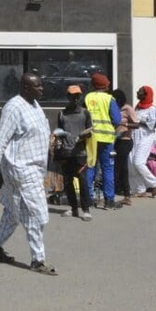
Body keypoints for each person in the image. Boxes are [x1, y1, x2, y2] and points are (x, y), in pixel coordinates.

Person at [0, 72, 56, 276]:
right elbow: (0, 140)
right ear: (26, 88)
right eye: (38, 86)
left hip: (35, 167)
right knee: (36, 214)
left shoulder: (34, 104)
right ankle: (38, 259)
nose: (42, 89)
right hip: (21, 169)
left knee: (13, 210)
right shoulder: (13, 108)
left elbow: (41, 129)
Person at [84, 73, 122, 210]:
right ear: (106, 85)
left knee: (90, 167)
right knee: (108, 169)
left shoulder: (87, 97)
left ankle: (87, 200)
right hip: (106, 139)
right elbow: (117, 120)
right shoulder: (109, 99)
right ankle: (109, 202)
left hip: (90, 139)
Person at [56, 85, 93, 221]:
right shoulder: (62, 114)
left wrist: (83, 136)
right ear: (68, 97)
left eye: (77, 96)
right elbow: (59, 132)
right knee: (68, 182)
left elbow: (90, 131)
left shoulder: (85, 113)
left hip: (80, 153)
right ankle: (73, 208)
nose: (75, 98)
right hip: (66, 153)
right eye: (73, 96)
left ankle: (86, 209)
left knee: (83, 181)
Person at [130, 86, 156, 198]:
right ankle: (139, 189)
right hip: (134, 136)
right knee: (131, 163)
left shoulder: (152, 109)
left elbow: (152, 125)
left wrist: (138, 122)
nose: (138, 95)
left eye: (141, 93)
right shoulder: (137, 107)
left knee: (138, 162)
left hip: (145, 137)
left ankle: (155, 183)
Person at [112, 88, 137, 206]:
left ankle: (126, 194)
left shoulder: (127, 109)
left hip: (125, 141)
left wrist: (125, 124)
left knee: (121, 167)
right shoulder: (114, 109)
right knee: (117, 166)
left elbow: (137, 124)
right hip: (116, 140)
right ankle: (120, 192)